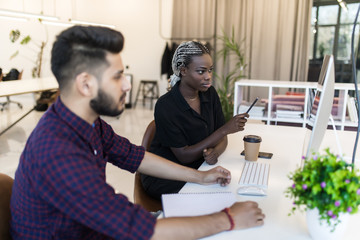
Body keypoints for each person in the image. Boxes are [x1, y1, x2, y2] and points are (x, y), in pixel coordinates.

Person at [10, 26, 264, 239]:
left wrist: (200, 177)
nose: (128, 84)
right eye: (118, 76)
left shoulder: (86, 123)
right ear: (86, 84)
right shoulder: (58, 153)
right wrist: (228, 219)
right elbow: (138, 230)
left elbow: (136, 156)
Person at [141, 41, 249, 200]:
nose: (208, 76)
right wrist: (225, 129)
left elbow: (221, 138)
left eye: (210, 70)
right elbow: (184, 156)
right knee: (218, 195)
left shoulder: (209, 93)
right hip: (166, 175)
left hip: (199, 167)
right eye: (201, 71)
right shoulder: (166, 105)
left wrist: (215, 152)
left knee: (231, 189)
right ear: (183, 71)